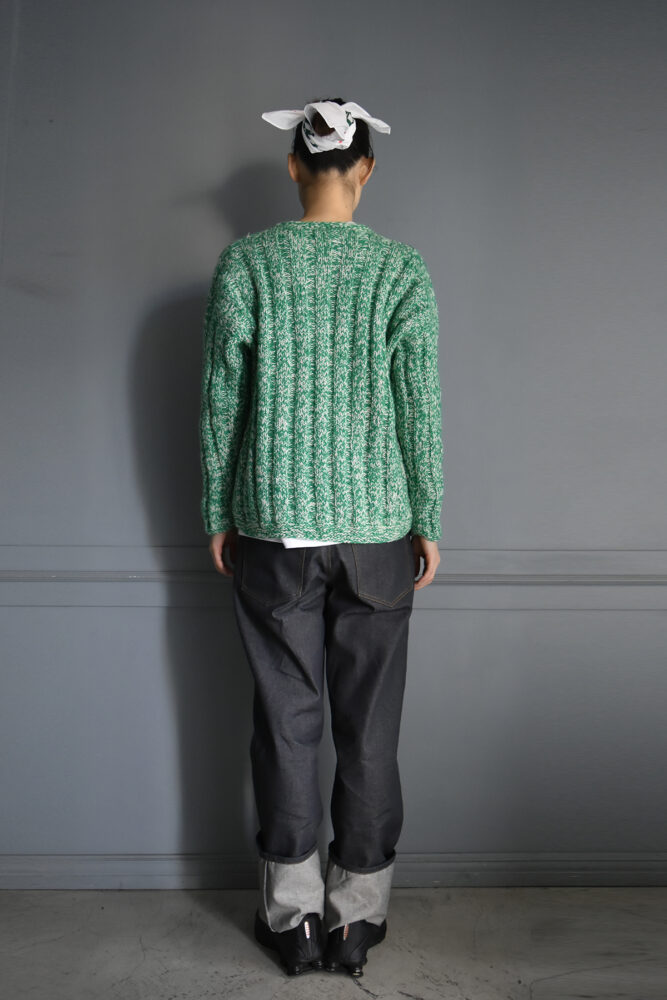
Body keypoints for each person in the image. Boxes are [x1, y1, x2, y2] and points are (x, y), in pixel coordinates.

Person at [199, 96, 444, 979]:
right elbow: (420, 405)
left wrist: (217, 510)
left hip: (273, 530)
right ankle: (356, 921)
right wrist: (428, 519)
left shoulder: (246, 263)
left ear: (294, 165)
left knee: (286, 724)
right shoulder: (400, 269)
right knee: (368, 732)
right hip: (377, 534)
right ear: (365, 169)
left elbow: (221, 401)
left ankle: (292, 920)